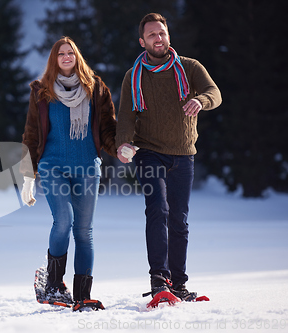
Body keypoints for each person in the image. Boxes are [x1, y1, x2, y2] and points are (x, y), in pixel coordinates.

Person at [116, 13, 222, 301]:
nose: (158, 38)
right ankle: (158, 282)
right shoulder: (133, 76)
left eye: (161, 33)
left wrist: (200, 100)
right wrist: (123, 143)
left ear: (168, 36)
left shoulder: (189, 68)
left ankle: (178, 284)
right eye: (152, 35)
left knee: (179, 220)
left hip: (184, 154)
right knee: (158, 210)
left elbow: (214, 92)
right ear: (142, 41)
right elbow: (126, 115)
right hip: (148, 152)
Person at [20, 36, 117, 310]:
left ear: (77, 57)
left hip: (87, 167)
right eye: (60, 53)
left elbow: (108, 129)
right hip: (53, 166)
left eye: (70, 53)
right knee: (63, 222)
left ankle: (82, 295)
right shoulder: (42, 91)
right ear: (54, 59)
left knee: (84, 232)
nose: (66, 57)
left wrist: (120, 148)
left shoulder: (95, 89)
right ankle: (53, 285)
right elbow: (31, 134)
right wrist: (28, 175)